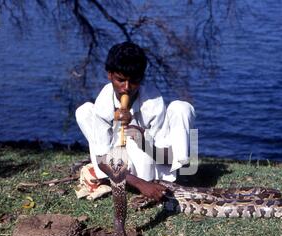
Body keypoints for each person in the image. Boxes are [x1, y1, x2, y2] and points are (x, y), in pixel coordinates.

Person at [75, 41, 195, 202]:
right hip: (119, 159)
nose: (127, 88)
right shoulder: (103, 102)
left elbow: (167, 158)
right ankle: (117, 177)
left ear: (142, 78)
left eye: (134, 81)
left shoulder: (153, 102)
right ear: (109, 74)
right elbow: (102, 160)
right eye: (120, 80)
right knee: (83, 111)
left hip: (152, 160)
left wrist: (143, 141)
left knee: (182, 107)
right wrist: (140, 184)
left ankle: (180, 176)